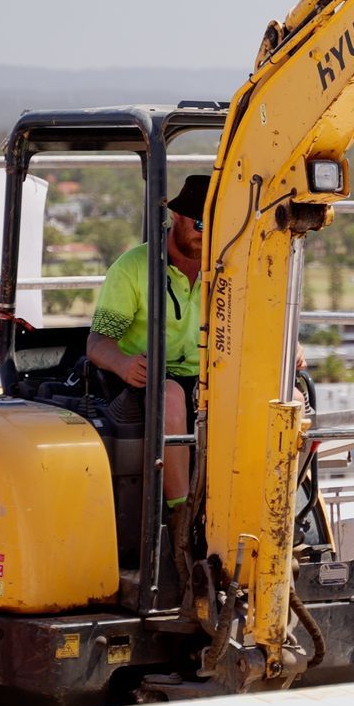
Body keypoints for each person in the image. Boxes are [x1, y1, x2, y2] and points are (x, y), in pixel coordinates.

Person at [86, 174, 206, 507]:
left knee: (285, 392)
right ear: (176, 217)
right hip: (144, 378)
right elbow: (97, 343)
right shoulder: (133, 268)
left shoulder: (231, 268)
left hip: (210, 378)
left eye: (217, 225)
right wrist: (123, 364)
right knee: (170, 395)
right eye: (199, 224)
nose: (206, 235)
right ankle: (181, 515)